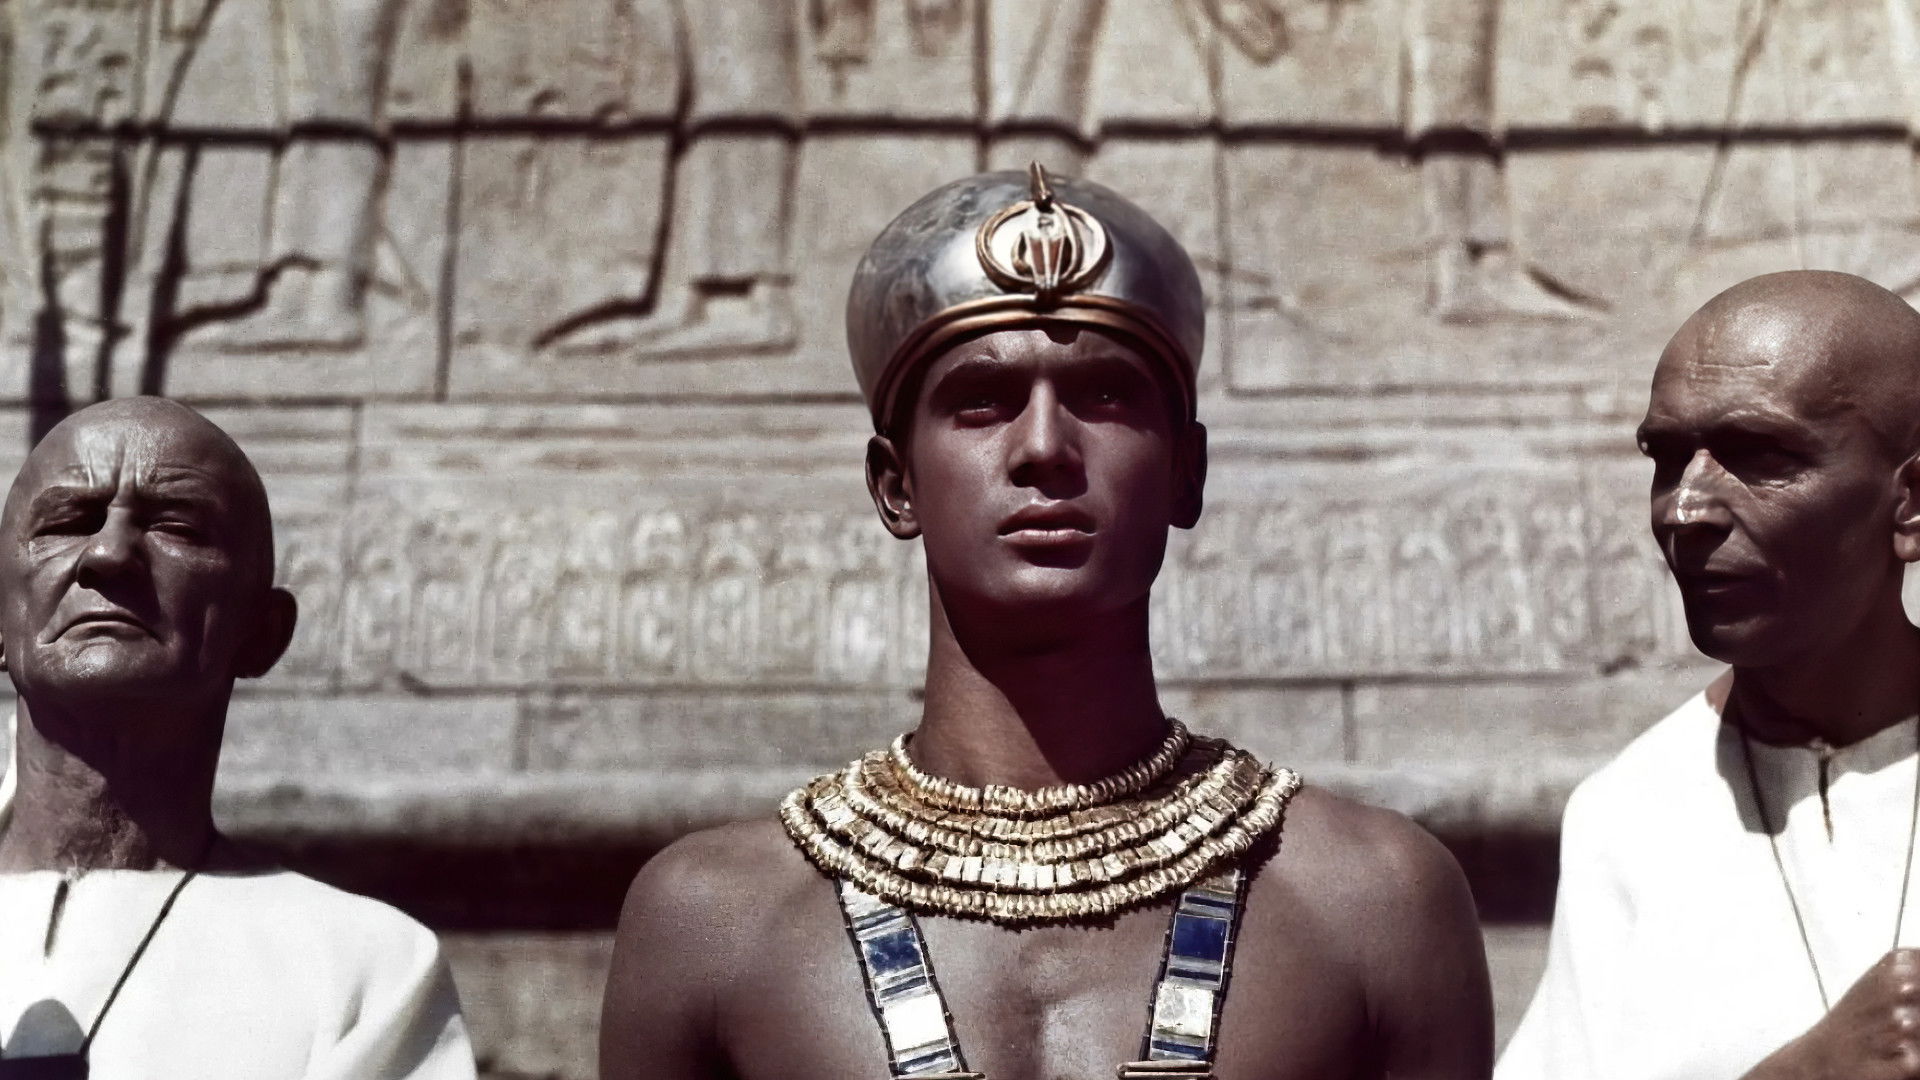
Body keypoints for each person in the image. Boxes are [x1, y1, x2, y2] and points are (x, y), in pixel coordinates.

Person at [602, 165, 1494, 1080]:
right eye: (982, 403)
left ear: (1186, 474)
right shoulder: (713, 923)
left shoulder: (1374, 903)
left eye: (1104, 397)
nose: (1043, 448)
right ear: (896, 484)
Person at [1499, 270, 1920, 1079]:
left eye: (1758, 455)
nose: (1683, 510)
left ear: (1911, 501)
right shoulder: (1628, 815)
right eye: (1666, 459)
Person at [0, 397, 475, 1078]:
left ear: (262, 633)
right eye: (70, 522)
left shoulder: (362, 967)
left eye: (177, 527)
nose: (108, 553)